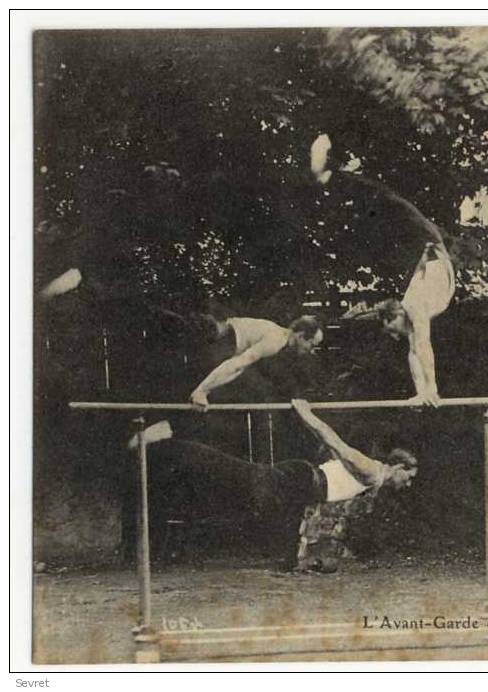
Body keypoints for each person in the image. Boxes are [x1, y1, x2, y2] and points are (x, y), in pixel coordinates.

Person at [129, 400, 417, 564]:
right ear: (399, 466)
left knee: (230, 479)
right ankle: (167, 438)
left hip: (301, 486)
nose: (409, 485)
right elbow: (332, 440)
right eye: (409, 477)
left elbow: (334, 462)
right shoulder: (371, 470)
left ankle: (170, 445)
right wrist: (306, 413)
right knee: (230, 473)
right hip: (297, 481)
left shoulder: (374, 479)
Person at [311, 134, 455, 407]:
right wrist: (426, 391)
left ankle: (334, 173)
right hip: (429, 244)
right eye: (391, 330)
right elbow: (417, 351)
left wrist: (428, 391)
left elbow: (419, 350)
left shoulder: (414, 307)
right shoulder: (414, 309)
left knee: (387, 201)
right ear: (393, 316)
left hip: (427, 247)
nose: (393, 334)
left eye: (391, 331)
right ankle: (335, 173)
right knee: (388, 201)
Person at [189, 315, 323, 410]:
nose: (311, 351)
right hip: (220, 336)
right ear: (300, 336)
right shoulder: (275, 342)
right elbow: (236, 364)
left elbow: (239, 366)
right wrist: (202, 391)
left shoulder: (280, 337)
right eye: (311, 344)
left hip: (224, 335)